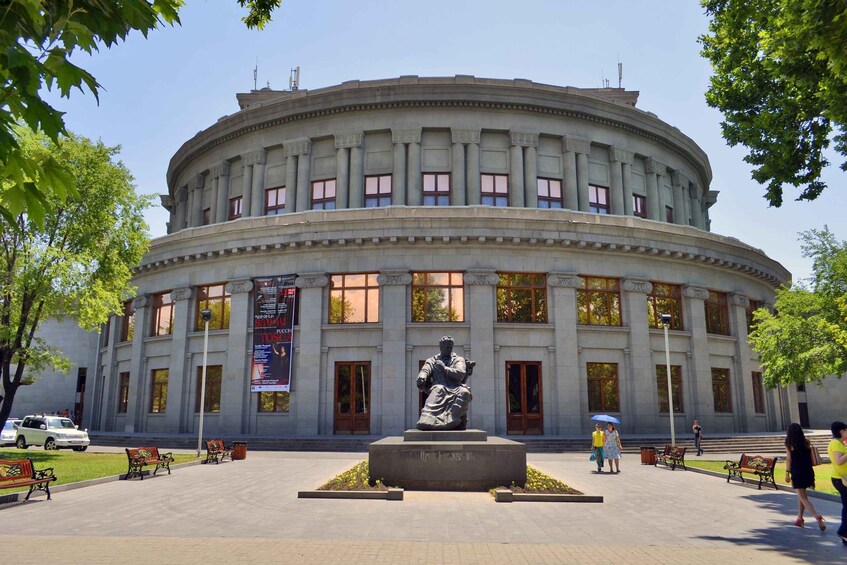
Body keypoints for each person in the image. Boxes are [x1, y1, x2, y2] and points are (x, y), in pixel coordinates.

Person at [416, 336, 473, 431]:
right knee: (438, 389)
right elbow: (425, 369)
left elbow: (460, 373)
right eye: (447, 347)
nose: (449, 349)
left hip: (456, 387)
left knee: (465, 392)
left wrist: (445, 369)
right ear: (441, 347)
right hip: (439, 386)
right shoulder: (432, 360)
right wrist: (422, 377)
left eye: (451, 347)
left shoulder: (458, 359)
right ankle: (427, 420)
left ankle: (452, 418)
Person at [784, 423, 825, 530]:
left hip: (797, 472)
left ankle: (817, 516)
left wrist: (787, 473)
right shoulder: (806, 442)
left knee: (803, 497)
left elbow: (789, 459)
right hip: (808, 472)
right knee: (801, 495)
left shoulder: (789, 444)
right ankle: (800, 518)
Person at [829, 421, 847, 545]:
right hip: (841, 479)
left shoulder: (838, 443)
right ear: (841, 431)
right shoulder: (835, 444)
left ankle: (844, 532)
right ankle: (843, 531)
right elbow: (839, 461)